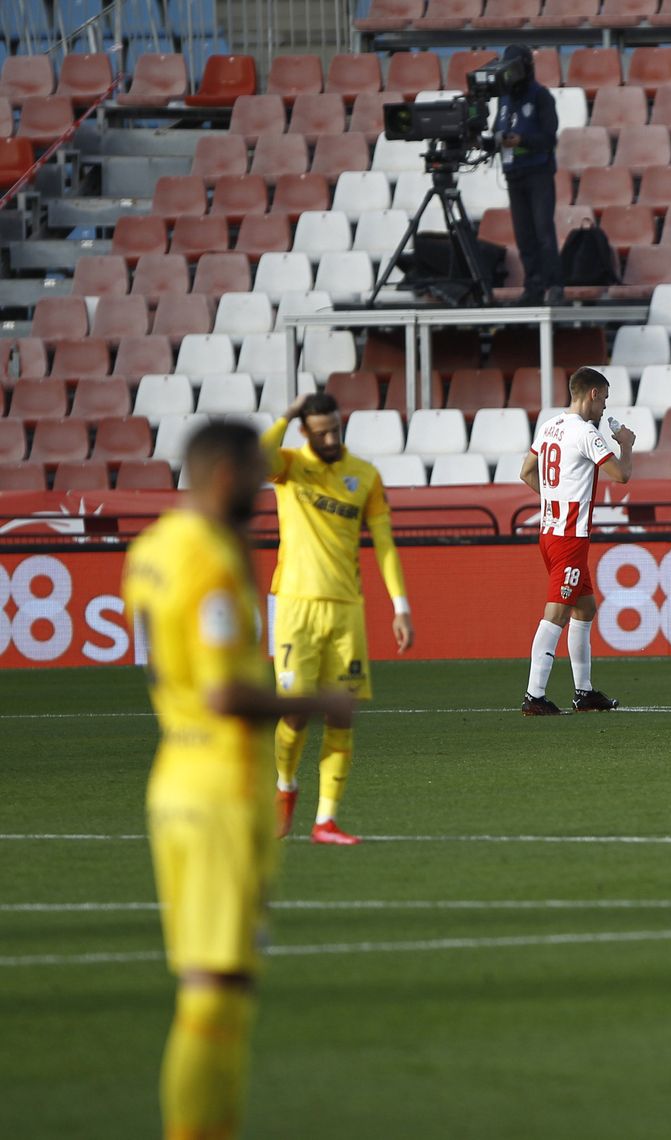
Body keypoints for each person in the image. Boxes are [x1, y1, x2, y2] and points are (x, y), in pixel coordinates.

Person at [124, 422, 355, 1140]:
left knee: (213, 987)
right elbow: (225, 693)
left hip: (175, 772)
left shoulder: (151, 549)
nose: (263, 487)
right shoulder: (210, 559)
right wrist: (316, 701)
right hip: (219, 790)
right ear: (225, 474)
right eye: (255, 474)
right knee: (217, 992)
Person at [262, 392, 414, 846]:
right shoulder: (289, 467)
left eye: (336, 430)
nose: (330, 439)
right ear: (304, 432)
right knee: (295, 714)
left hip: (346, 609)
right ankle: (285, 787)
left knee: (341, 715)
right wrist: (286, 415)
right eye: (321, 432)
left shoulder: (364, 475)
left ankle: (325, 821)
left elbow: (384, 544)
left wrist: (401, 605)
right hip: (295, 605)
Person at [521, 366, 634, 715]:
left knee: (585, 608)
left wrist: (553, 500)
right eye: (605, 399)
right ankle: (534, 696)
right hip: (569, 536)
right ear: (593, 394)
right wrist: (626, 444)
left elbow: (526, 472)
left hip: (549, 531)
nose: (605, 407)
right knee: (556, 613)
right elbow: (622, 475)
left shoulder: (549, 426)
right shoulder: (586, 433)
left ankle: (583, 692)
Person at [494, 43, 562, 306]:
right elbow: (497, 129)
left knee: (543, 231)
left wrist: (522, 141)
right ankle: (533, 286)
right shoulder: (503, 99)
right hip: (514, 173)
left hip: (538, 172)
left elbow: (549, 138)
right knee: (524, 236)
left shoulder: (541, 96)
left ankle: (554, 285)